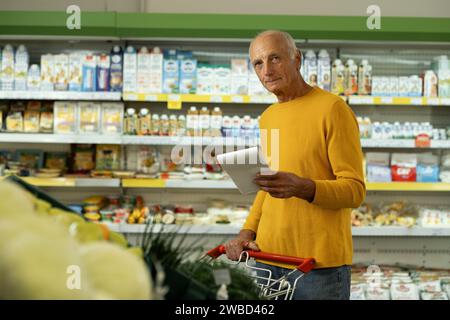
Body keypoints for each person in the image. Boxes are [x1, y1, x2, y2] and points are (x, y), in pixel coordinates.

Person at [224, 30, 366, 300]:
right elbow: (266, 187)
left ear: (297, 59)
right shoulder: (268, 117)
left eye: (275, 58)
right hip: (266, 259)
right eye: (258, 63)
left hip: (316, 267)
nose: (267, 70)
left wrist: (304, 187)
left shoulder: (333, 108)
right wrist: (246, 232)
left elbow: (355, 190)